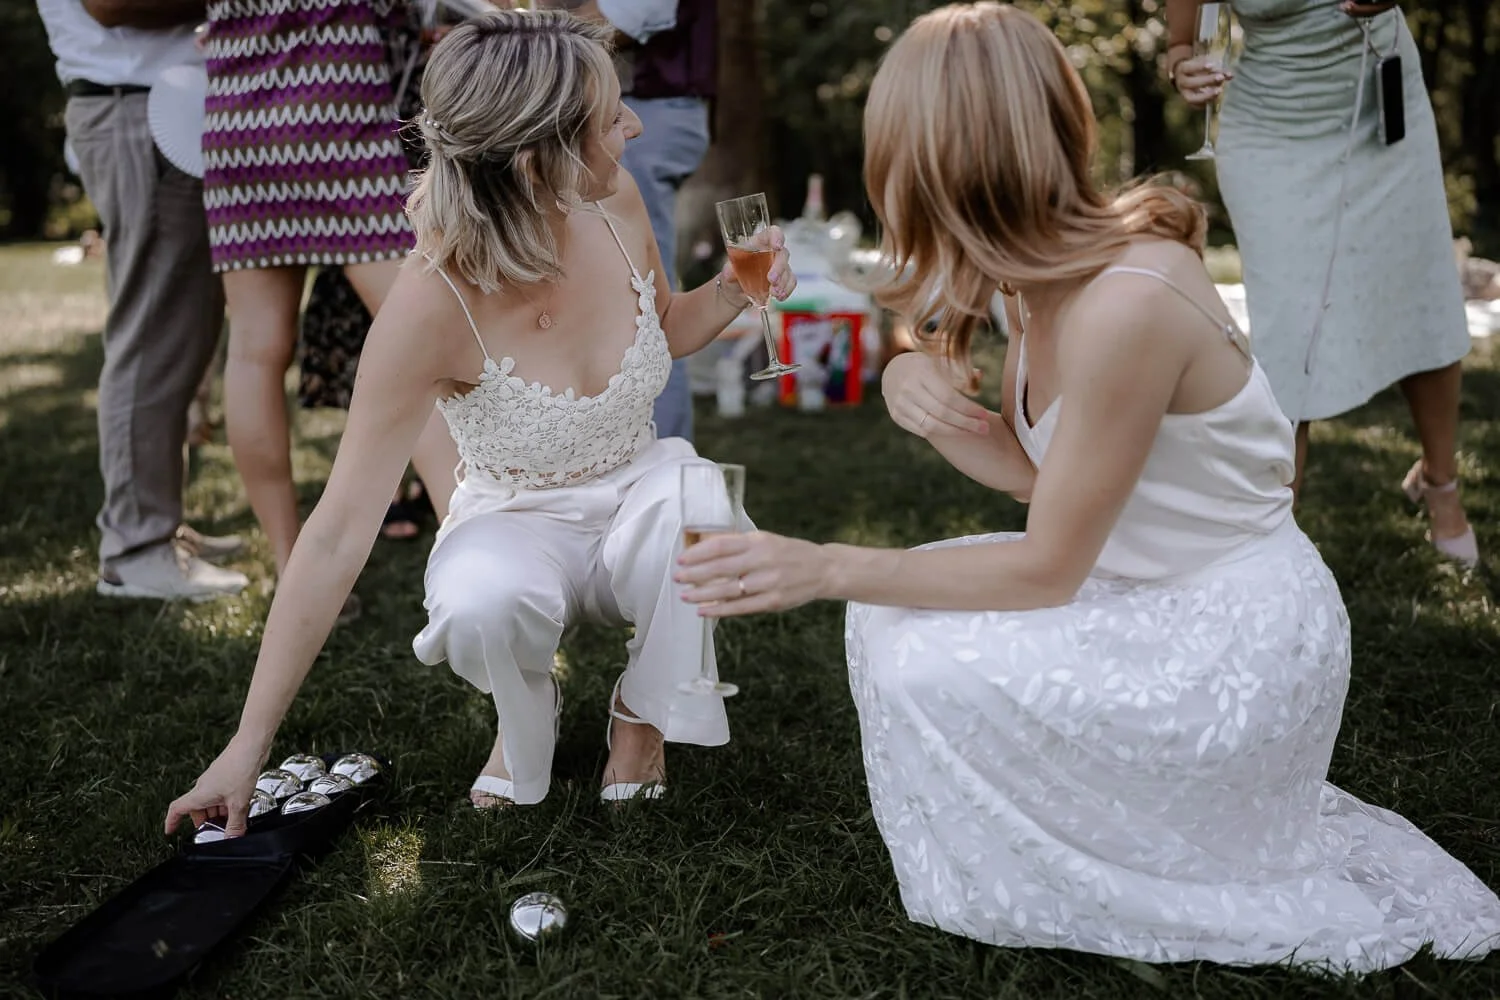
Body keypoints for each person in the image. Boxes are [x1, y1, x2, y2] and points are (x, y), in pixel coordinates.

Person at [677, 4, 1500, 973]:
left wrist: (821, 564)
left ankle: (1129, 860)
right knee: (896, 620)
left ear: (936, 165)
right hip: (1142, 579)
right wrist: (916, 391)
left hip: (1233, 637)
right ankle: (1081, 843)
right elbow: (1050, 480)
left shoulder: (1128, 301)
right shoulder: (1029, 277)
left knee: (910, 643)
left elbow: (1048, 565)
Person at [164, 10, 794, 833]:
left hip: (636, 488)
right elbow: (337, 532)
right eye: (612, 118)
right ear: (538, 159)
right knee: (477, 602)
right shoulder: (429, 305)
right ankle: (524, 713)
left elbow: (664, 327)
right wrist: (247, 746)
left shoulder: (617, 199)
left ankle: (640, 712)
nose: (635, 127)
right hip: (514, 517)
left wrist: (737, 290)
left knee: (700, 503)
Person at [1166, 0, 1478, 566]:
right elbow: (1181, 44)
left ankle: (1440, 482)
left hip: (1380, 102)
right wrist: (1181, 65)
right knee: (1288, 333)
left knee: (1419, 294)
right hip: (1271, 125)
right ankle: (1274, 538)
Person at [201, 0, 458, 591]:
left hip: (238, 124)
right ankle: (469, 538)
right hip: (339, 117)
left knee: (253, 351)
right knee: (423, 339)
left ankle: (290, 565)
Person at [37, 0, 249, 602]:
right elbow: (110, 5)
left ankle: (156, 525)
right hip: (138, 107)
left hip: (152, 103)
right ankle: (135, 548)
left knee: (181, 333)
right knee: (153, 333)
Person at [540, 0, 716, 442]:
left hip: (652, 110)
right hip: (622, 113)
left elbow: (608, 23)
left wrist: (511, 32)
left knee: (644, 306)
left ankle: (663, 451)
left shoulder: (626, 123)